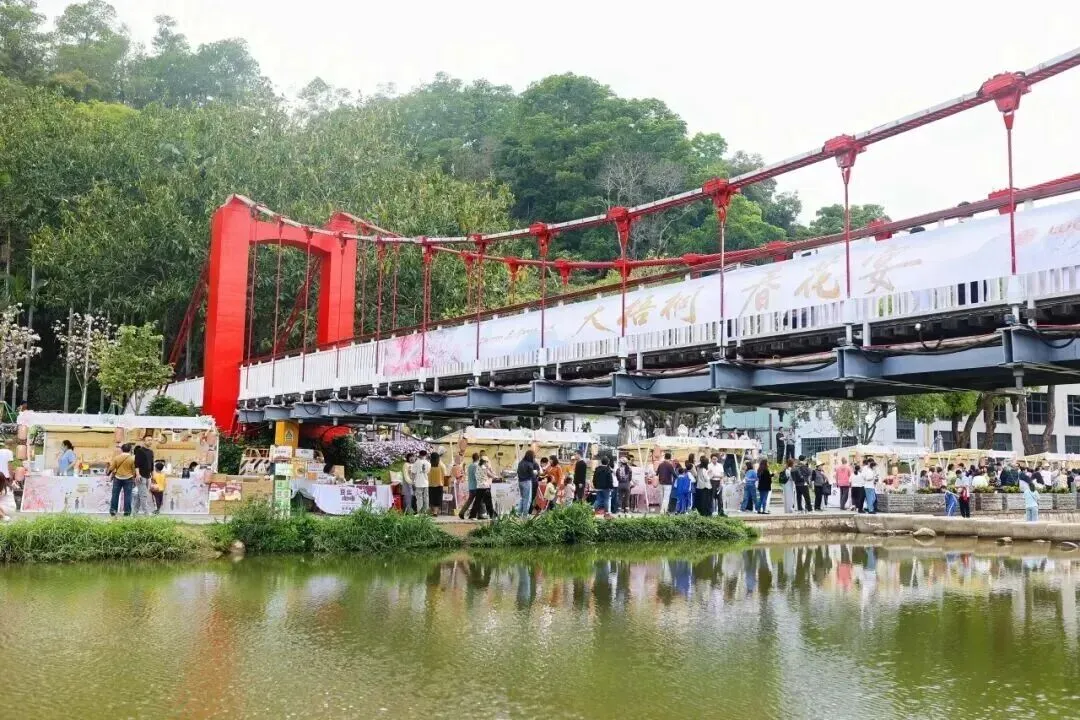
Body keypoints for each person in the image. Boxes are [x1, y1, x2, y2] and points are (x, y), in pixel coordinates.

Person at [108, 443, 137, 517]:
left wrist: (108, 473)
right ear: (130, 450)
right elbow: (134, 470)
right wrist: (134, 478)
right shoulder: (132, 459)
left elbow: (111, 468)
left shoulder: (117, 458)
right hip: (128, 479)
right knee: (128, 496)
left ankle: (113, 511)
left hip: (117, 478)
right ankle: (127, 512)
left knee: (115, 495)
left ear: (122, 449)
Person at [517, 450, 539, 516]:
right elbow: (532, 475)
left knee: (522, 498)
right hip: (527, 482)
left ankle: (519, 513)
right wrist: (535, 473)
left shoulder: (520, 462)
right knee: (527, 500)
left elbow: (518, 472)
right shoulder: (529, 464)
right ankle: (525, 515)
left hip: (520, 482)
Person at [458, 453, 480, 519]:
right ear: (478, 458)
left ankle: (461, 512)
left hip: (471, 486)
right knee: (478, 501)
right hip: (476, 486)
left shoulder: (470, 466)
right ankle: (475, 515)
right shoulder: (477, 466)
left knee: (469, 501)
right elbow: (477, 476)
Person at [412, 450, 432, 514]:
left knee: (419, 498)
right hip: (426, 483)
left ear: (419, 454)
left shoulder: (416, 463)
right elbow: (429, 473)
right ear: (426, 455)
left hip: (418, 483)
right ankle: (426, 512)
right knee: (426, 498)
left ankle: (420, 512)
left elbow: (413, 473)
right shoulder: (428, 463)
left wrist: (413, 481)